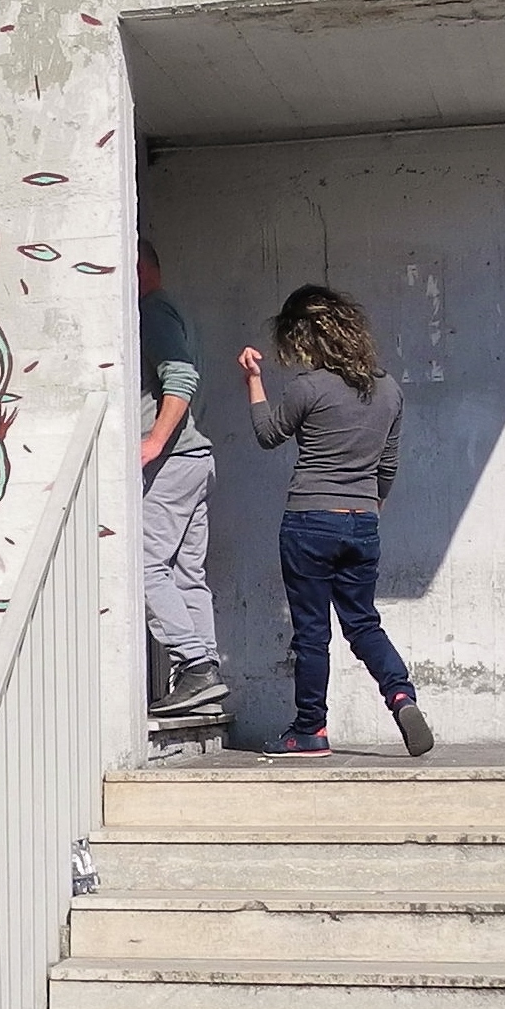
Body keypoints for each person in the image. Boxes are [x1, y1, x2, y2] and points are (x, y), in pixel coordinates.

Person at [241, 285, 433, 760]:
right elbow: (388, 465)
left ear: (307, 339)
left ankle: (310, 730)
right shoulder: (389, 389)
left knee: (312, 632)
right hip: (362, 521)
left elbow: (268, 434)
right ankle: (401, 695)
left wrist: (253, 379)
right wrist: (370, 507)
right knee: (363, 623)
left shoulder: (308, 387)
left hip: (310, 520)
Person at [137, 240, 223, 718]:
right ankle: (204, 679)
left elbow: (181, 377)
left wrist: (152, 442)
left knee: (144, 565)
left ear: (137, 269)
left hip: (172, 463)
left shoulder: (152, 311)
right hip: (194, 460)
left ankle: (195, 665)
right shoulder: (173, 311)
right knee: (188, 574)